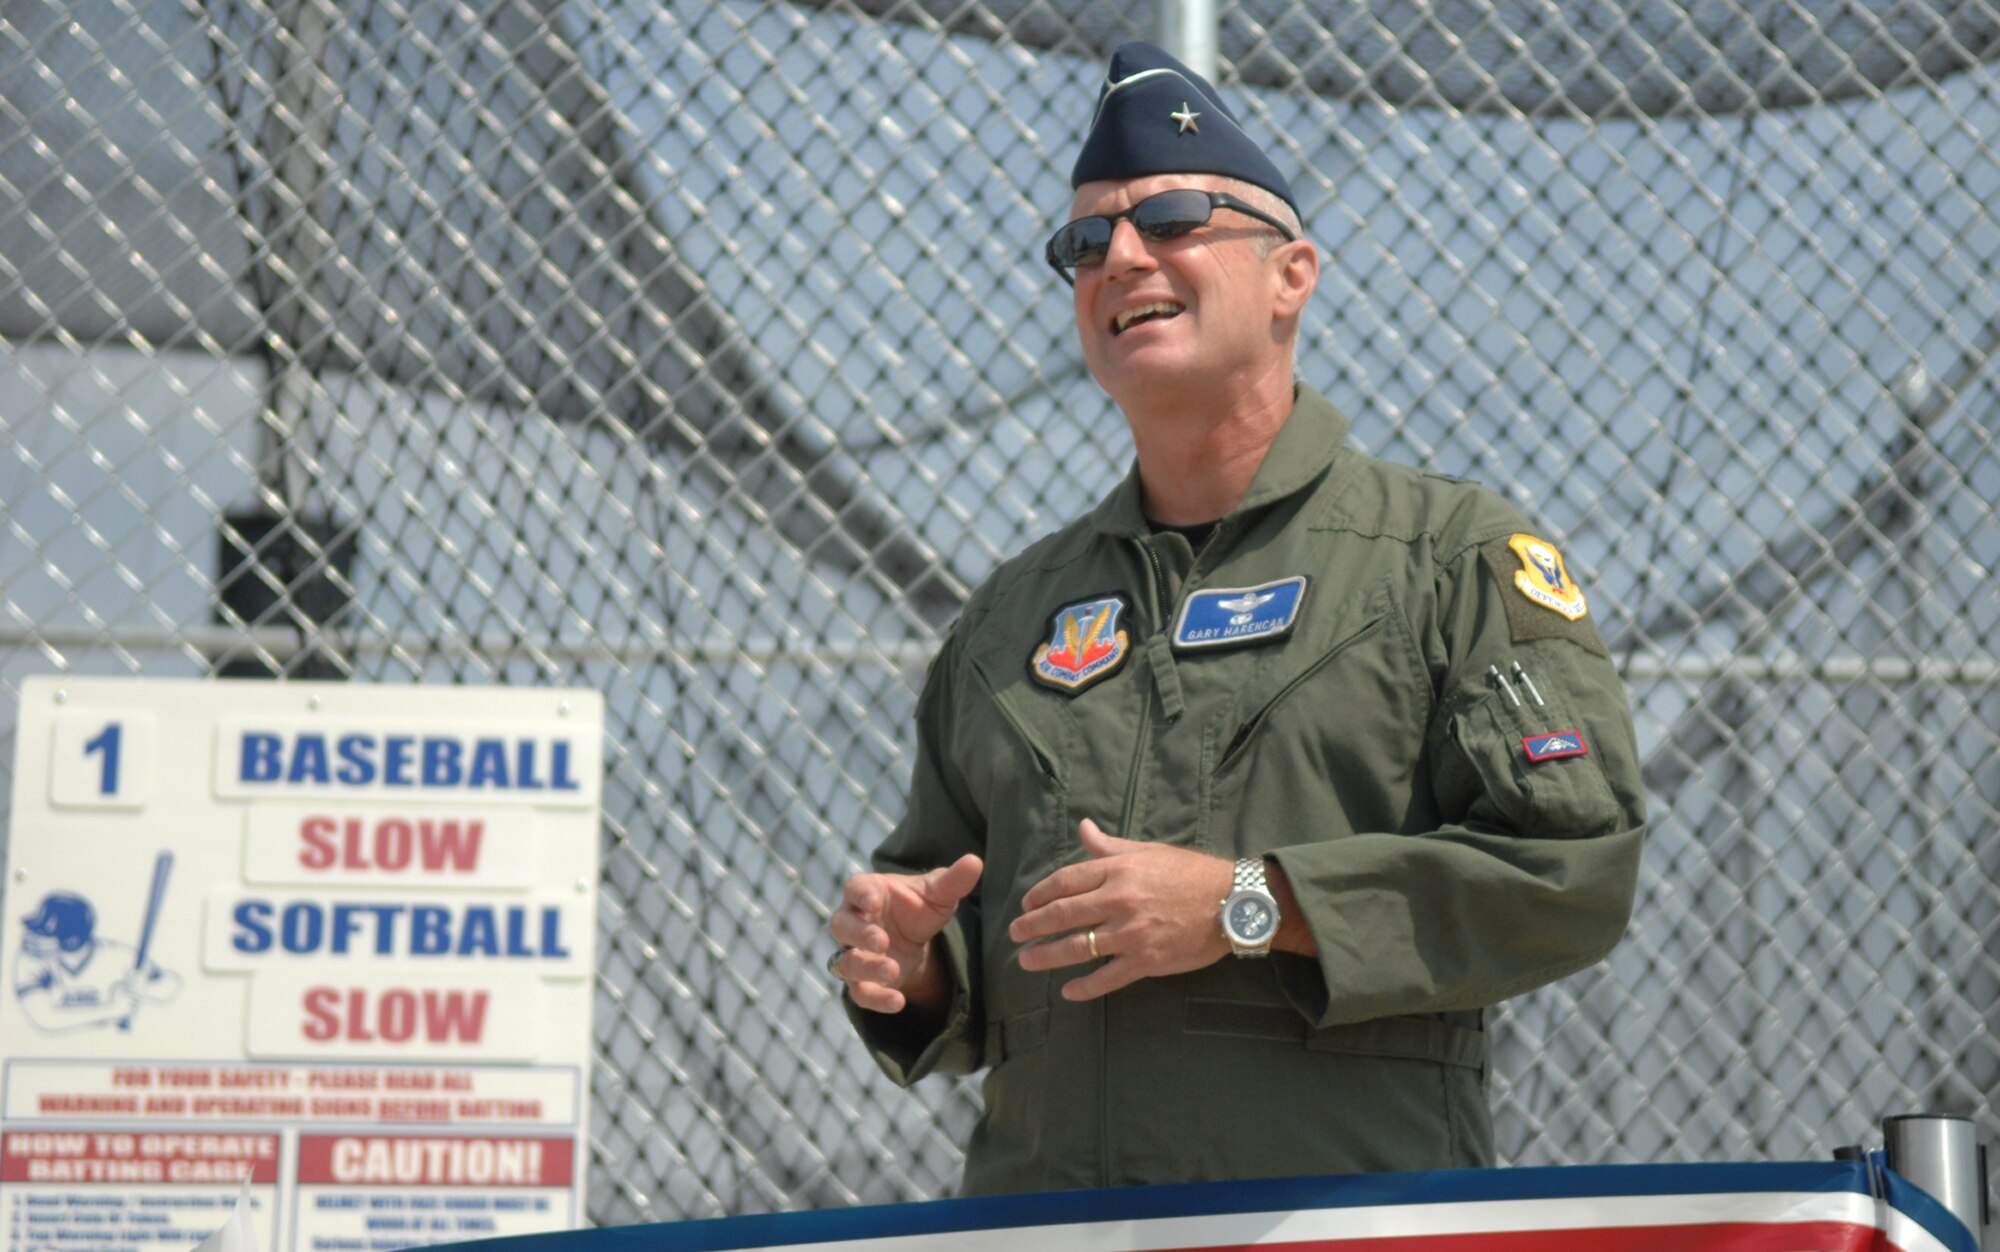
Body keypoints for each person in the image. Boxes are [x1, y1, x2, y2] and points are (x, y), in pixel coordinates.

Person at [829, 40, 1645, 1196]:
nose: (1118, 255)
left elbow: (1569, 873)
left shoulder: (1445, 558)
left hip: (1342, 1222)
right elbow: (950, 923)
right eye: (1082, 241)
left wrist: (1246, 904)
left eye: (1169, 216)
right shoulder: (1009, 617)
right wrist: (910, 962)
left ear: (1290, 274)